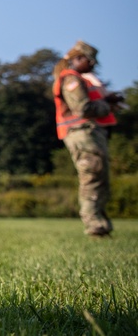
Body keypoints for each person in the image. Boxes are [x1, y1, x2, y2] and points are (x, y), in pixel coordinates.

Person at [52, 41, 123, 237]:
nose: (93, 65)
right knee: (92, 177)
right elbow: (83, 109)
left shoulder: (83, 79)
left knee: (99, 179)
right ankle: (95, 226)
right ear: (78, 59)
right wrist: (107, 105)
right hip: (82, 133)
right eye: (90, 61)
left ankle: (99, 224)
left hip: (89, 133)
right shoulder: (71, 79)